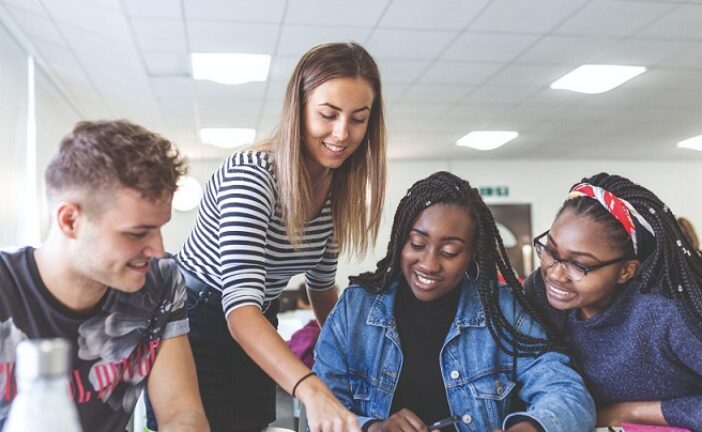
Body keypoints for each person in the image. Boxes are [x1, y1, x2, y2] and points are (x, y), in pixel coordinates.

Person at [176, 42, 386, 432]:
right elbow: (239, 309)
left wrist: (350, 361)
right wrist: (311, 390)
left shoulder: (335, 184)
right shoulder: (252, 176)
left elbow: (322, 288)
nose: (342, 133)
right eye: (328, 114)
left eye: (358, 119)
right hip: (194, 322)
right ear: (299, 108)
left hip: (257, 318)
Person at [314, 171, 595, 432]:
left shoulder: (504, 311)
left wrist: (529, 427)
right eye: (417, 244)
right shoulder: (356, 308)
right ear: (400, 240)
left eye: (450, 252)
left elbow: (566, 391)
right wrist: (372, 427)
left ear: (472, 253)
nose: (429, 264)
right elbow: (321, 403)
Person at [0, 120, 209, 431]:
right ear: (70, 220)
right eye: (137, 233)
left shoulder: (161, 281)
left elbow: (180, 412)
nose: (157, 249)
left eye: (160, 228)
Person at [525, 173, 702, 430]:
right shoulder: (540, 292)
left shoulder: (667, 313)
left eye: (579, 264)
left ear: (626, 271)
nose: (554, 273)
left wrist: (630, 411)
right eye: (551, 250)